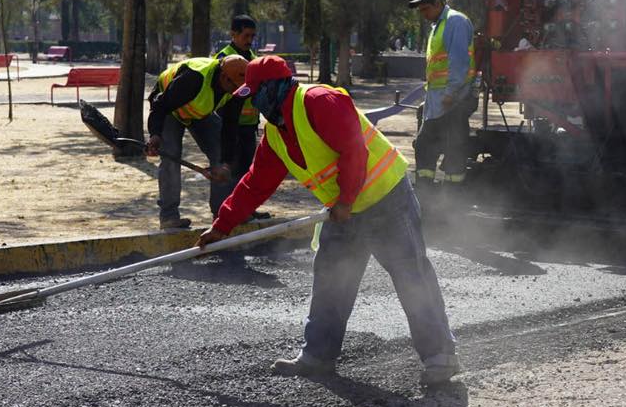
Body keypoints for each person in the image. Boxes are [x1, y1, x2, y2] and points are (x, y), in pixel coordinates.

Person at [196, 55, 460, 387]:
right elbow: (256, 182)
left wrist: (346, 200)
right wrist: (222, 225)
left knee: (411, 274)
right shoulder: (276, 131)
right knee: (331, 279)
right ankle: (318, 356)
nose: (253, 104)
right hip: (343, 207)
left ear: (274, 88)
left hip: (385, 199)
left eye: (255, 94)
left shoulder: (320, 101)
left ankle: (441, 356)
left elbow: (354, 151)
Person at [146, 54, 249, 229]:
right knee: (171, 156)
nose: (235, 93)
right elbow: (160, 105)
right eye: (234, 88)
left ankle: (221, 214)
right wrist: (155, 134)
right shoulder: (194, 78)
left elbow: (230, 128)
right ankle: (169, 217)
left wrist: (225, 163)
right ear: (224, 77)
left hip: (198, 111)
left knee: (220, 151)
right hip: (169, 109)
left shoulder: (237, 90)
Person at [409, 0, 476, 186]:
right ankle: (427, 188)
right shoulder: (438, 24)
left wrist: (450, 93)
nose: (423, 14)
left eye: (426, 9)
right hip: (439, 99)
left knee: (450, 145)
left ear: (439, 3)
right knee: (428, 144)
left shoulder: (455, 22)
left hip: (453, 100)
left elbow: (459, 61)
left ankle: (449, 191)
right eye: (420, 10)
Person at [214, 15, 262, 198]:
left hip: (249, 126)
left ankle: (244, 209)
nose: (250, 41)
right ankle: (222, 211)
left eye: (253, 36)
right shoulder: (223, 59)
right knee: (228, 169)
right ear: (233, 34)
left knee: (246, 170)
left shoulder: (254, 59)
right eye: (246, 36)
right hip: (228, 125)